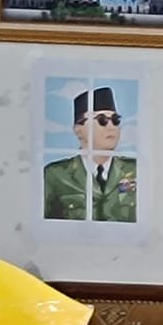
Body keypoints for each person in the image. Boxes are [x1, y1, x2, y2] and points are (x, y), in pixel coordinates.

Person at [42, 87, 137, 223]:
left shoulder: (135, 170)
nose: (111, 127)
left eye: (116, 120)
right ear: (78, 130)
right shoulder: (56, 175)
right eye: (101, 120)